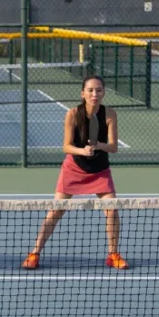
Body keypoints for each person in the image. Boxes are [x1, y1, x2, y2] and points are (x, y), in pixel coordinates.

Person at [22, 75, 126, 270]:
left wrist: (99, 145)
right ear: (83, 93)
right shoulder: (72, 114)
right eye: (90, 90)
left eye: (99, 90)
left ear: (103, 92)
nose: (95, 94)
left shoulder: (110, 114)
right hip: (74, 168)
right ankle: (34, 252)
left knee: (112, 210)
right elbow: (66, 146)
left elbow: (113, 147)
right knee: (56, 210)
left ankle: (113, 254)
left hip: (100, 170)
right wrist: (83, 150)